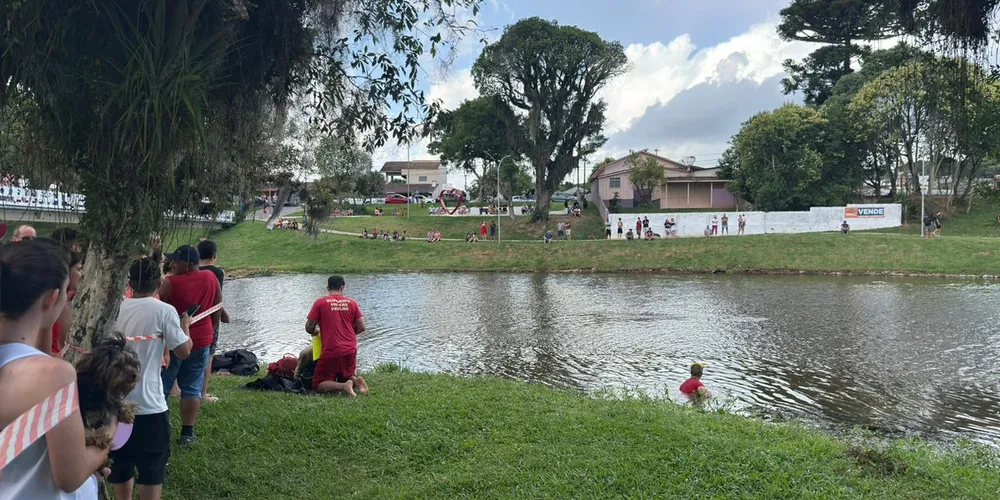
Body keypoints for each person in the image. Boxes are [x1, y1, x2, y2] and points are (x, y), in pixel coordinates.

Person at [0, 238, 111, 498]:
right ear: (52, 298)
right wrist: (110, 432)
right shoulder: (55, 375)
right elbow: (69, 477)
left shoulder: (36, 370)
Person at [110, 258, 193, 500]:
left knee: (121, 461)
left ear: (129, 284)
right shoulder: (164, 311)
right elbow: (183, 351)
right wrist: (185, 326)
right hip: (150, 407)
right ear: (158, 284)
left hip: (118, 405)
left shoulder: (115, 309)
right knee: (152, 469)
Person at [157, 245, 221, 445]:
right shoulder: (211, 277)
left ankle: (159, 430)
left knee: (163, 386)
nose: (173, 265)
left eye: (176, 261)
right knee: (193, 386)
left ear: (187, 263)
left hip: (175, 342)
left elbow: (159, 306)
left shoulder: (170, 282)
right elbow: (218, 305)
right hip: (202, 339)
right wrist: (212, 328)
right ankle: (187, 434)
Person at [306, 276, 368, 397]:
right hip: (350, 349)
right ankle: (356, 382)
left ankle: (344, 386)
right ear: (342, 288)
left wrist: (317, 331)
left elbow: (309, 327)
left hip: (332, 349)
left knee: (317, 384)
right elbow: (362, 327)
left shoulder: (320, 303)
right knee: (344, 375)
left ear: (328, 288)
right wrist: (347, 334)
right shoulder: (352, 303)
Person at [197, 240, 229, 403]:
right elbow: (217, 298)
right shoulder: (217, 273)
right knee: (208, 355)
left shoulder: (193, 271)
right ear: (214, 255)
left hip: (191, 318)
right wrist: (224, 315)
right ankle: (202, 393)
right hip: (210, 319)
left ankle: (180, 388)